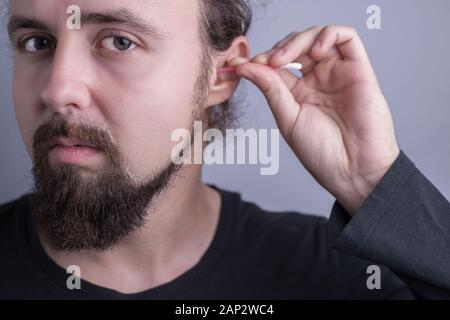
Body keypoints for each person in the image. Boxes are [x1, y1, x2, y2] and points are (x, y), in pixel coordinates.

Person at [0, 0, 449, 299]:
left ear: (219, 76)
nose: (57, 89)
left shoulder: (338, 278)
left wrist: (374, 183)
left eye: (120, 41)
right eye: (36, 43)